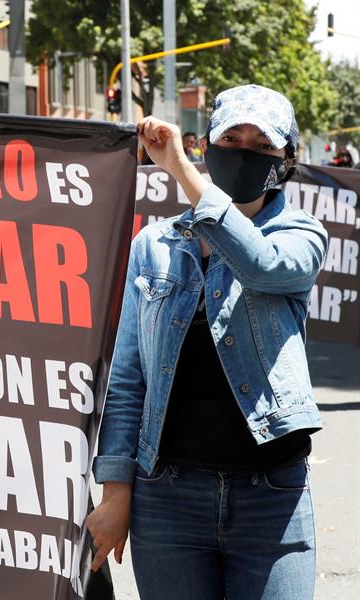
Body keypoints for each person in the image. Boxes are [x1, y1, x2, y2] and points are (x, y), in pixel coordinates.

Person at [87, 84, 326, 599]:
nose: (243, 151)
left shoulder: (300, 235)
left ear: (285, 159)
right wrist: (116, 492)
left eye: (262, 144)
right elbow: (128, 381)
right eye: (231, 138)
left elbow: (260, 265)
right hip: (167, 500)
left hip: (272, 499)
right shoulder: (154, 245)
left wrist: (180, 170)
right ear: (208, 145)